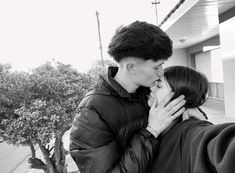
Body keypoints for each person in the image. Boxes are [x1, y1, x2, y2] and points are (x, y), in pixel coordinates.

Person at [69, 21, 204, 173]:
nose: (161, 72)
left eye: (162, 65)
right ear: (131, 67)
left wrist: (188, 107)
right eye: (156, 67)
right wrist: (151, 131)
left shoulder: (148, 89)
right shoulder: (92, 112)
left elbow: (176, 95)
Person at [148, 66, 235, 173]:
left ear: (179, 97)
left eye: (158, 85)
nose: (151, 88)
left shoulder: (191, 131)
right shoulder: (148, 119)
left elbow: (222, 145)